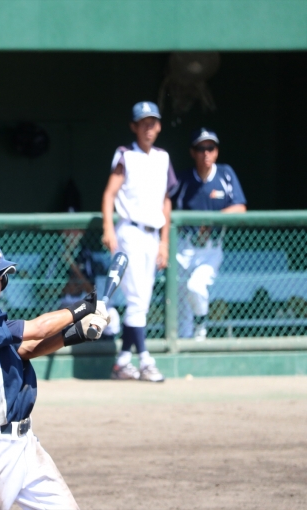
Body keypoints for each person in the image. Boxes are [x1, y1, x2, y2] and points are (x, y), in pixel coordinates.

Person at [0, 239, 109, 509]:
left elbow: (26, 349)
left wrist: (75, 333)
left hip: (27, 445)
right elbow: (37, 329)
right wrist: (83, 308)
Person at [101, 101, 177, 382]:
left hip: (153, 234)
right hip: (130, 232)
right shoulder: (126, 155)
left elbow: (166, 201)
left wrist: (164, 242)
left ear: (159, 126)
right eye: (143, 123)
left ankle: (122, 361)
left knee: (141, 302)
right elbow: (109, 194)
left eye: (152, 123)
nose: (148, 128)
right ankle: (145, 359)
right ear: (134, 126)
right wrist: (108, 228)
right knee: (135, 299)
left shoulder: (163, 157)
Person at [170, 128, 247, 340]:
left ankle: (201, 326)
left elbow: (240, 207)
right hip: (184, 247)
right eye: (200, 148)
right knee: (182, 306)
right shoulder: (183, 179)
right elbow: (165, 205)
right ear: (192, 152)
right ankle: (185, 348)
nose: (206, 153)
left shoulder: (225, 174)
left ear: (216, 151)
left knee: (196, 286)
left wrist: (212, 220)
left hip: (211, 249)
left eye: (210, 148)